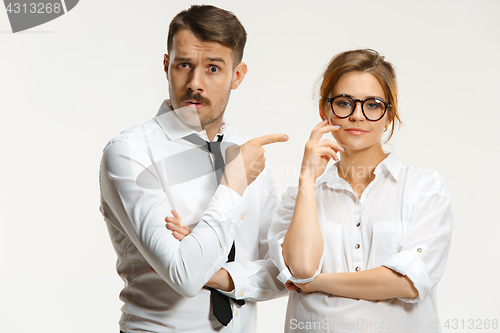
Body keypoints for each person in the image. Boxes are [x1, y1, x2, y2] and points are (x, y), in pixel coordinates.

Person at [99, 5, 287, 333]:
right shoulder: (129, 152)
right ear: (166, 66)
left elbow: (282, 271)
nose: (195, 83)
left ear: (237, 75)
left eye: (213, 68)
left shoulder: (248, 152)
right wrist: (233, 184)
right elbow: (185, 276)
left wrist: (218, 274)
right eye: (184, 64)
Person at [268, 49, 453, 332]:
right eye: (344, 103)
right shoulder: (298, 196)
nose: (357, 116)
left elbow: (408, 283)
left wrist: (317, 284)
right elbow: (302, 269)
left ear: (389, 115)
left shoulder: (424, 188)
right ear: (325, 110)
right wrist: (307, 179)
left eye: (373, 104)